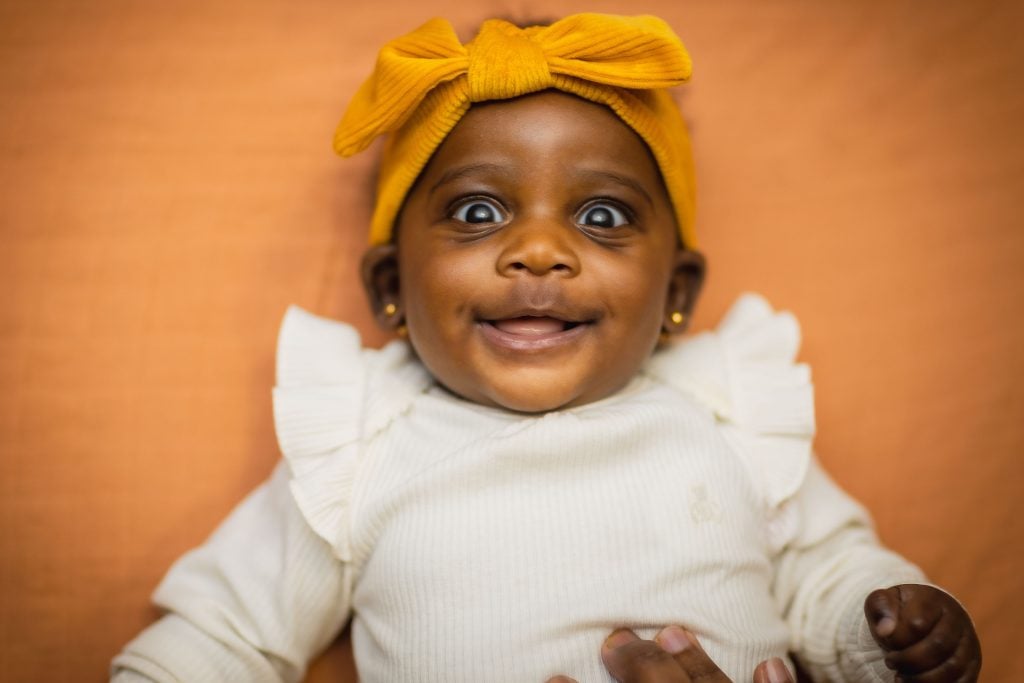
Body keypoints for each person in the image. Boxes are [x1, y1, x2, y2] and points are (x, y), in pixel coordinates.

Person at [111, 13, 981, 683]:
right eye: (477, 211)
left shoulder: (728, 413)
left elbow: (828, 569)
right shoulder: (360, 445)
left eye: (601, 217)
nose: (537, 249)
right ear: (390, 289)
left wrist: (890, 631)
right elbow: (223, 632)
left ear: (676, 294)